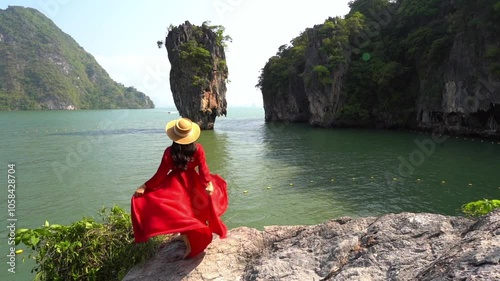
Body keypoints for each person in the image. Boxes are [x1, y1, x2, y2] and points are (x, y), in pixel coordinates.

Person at [130, 117, 228, 259]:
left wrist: (145, 186)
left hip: (175, 184)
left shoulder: (170, 152)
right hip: (193, 182)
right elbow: (203, 170)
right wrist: (208, 183)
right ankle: (187, 240)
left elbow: (161, 174)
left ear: (174, 136)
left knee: (180, 212)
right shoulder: (198, 149)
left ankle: (187, 242)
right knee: (193, 210)